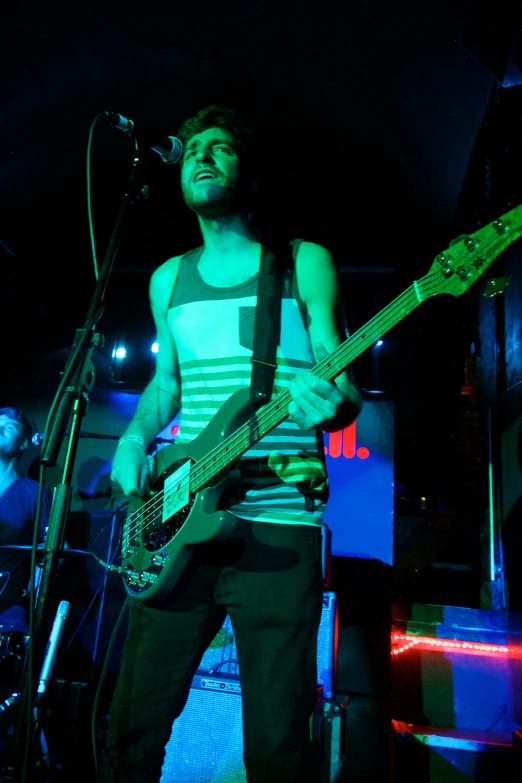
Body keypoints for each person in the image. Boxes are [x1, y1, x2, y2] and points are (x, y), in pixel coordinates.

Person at [102, 106, 362, 783]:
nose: (201, 157)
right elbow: (167, 385)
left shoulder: (302, 263)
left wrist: (336, 405)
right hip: (181, 516)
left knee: (278, 749)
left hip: (279, 527)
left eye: (221, 147)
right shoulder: (167, 279)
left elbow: (343, 372)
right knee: (131, 732)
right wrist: (134, 436)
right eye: (191, 150)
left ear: (248, 171)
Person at [0, 407, 50, 635]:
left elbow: (58, 551)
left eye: (8, 427)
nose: (0, 429)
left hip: (7, 606)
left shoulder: (34, 493)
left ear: (22, 444)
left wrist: (39, 567)